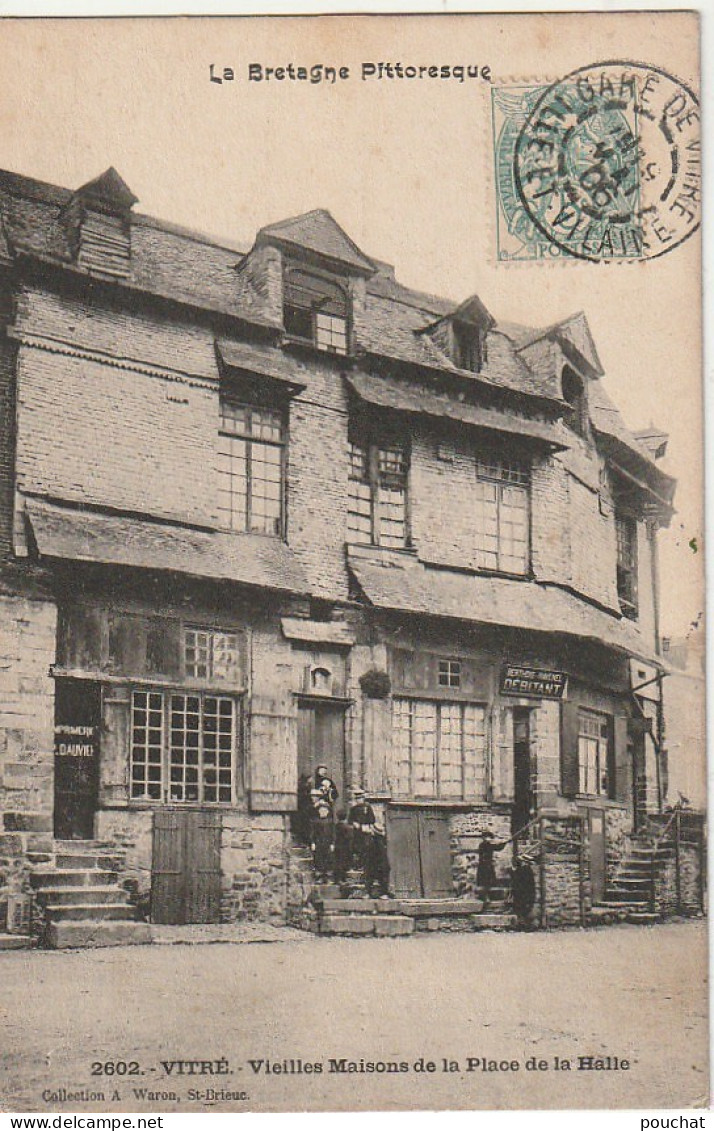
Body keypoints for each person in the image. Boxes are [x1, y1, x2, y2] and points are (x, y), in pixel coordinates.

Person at [348, 789, 376, 878]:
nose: (358, 800)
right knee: (357, 847)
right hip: (357, 832)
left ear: (363, 799)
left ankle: (365, 865)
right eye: (357, 799)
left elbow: (372, 819)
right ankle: (359, 865)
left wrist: (368, 826)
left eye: (360, 798)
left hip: (366, 830)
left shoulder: (367, 807)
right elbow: (350, 820)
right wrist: (354, 823)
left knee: (366, 847)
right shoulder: (353, 809)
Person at [476, 830, 507, 909]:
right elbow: (496, 847)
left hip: (489, 865)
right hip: (483, 866)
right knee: (484, 882)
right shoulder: (483, 845)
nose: (488, 839)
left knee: (490, 882)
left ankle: (490, 896)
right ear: (483, 838)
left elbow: (498, 847)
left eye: (489, 837)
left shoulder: (489, 844)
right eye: (486, 837)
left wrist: (504, 843)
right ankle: (485, 897)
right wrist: (502, 843)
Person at [310, 788, 335, 882]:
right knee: (319, 857)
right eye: (321, 811)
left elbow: (333, 833)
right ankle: (319, 875)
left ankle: (328, 876)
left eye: (325, 811)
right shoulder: (316, 822)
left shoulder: (330, 822)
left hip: (327, 842)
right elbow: (313, 832)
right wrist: (313, 842)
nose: (323, 812)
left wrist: (332, 843)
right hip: (319, 841)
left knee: (328, 857)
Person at [366, 822, 391, 898]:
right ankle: (383, 893)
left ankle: (379, 893)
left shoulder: (375, 842)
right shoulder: (381, 841)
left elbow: (373, 855)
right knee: (382, 878)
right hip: (381, 864)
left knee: (371, 877)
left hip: (378, 864)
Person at [511, 856, 537, 928]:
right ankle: (522, 923)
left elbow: (527, 883)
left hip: (525, 892)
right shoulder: (521, 870)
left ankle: (527, 924)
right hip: (521, 892)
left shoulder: (525, 870)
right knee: (522, 907)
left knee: (525, 907)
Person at [333, 809, 353, 891]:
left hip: (338, 846)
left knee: (338, 862)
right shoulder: (347, 827)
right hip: (345, 847)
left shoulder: (336, 826)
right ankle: (342, 878)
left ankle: (338, 879)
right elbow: (350, 837)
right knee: (343, 863)